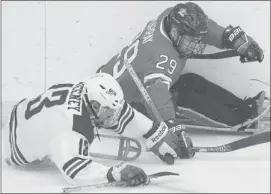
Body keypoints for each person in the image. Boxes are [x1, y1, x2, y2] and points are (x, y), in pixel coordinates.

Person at [2, 73, 194, 186]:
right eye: (107, 112)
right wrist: (114, 173)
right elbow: (75, 171)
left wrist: (153, 133)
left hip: (20, 110)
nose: (112, 116)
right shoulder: (73, 126)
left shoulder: (84, 89)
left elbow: (120, 111)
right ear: (93, 105)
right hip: (13, 148)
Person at [97, 2, 265, 128]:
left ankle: (244, 108)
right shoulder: (161, 57)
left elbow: (206, 28)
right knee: (184, 99)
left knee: (192, 81)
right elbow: (155, 98)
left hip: (114, 80)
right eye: (191, 41)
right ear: (176, 33)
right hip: (121, 105)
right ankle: (242, 122)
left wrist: (237, 41)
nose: (195, 45)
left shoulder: (170, 16)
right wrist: (169, 126)